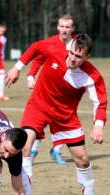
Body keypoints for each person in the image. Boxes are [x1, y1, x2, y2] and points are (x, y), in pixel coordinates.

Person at [5, 33, 110, 195]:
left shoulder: (92, 75)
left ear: (87, 57)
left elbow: (100, 102)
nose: (72, 58)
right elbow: (35, 47)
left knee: (82, 160)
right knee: (24, 148)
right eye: (71, 53)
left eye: (78, 56)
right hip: (38, 106)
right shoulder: (54, 49)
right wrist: (17, 68)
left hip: (65, 115)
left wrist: (98, 125)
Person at [29, 14, 77, 166]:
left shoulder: (78, 43)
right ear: (57, 27)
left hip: (67, 91)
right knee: (40, 119)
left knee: (62, 120)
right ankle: (33, 151)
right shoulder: (49, 43)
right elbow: (38, 59)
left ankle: (56, 150)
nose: (64, 30)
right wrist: (31, 76)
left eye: (67, 27)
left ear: (72, 28)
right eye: (62, 26)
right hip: (47, 89)